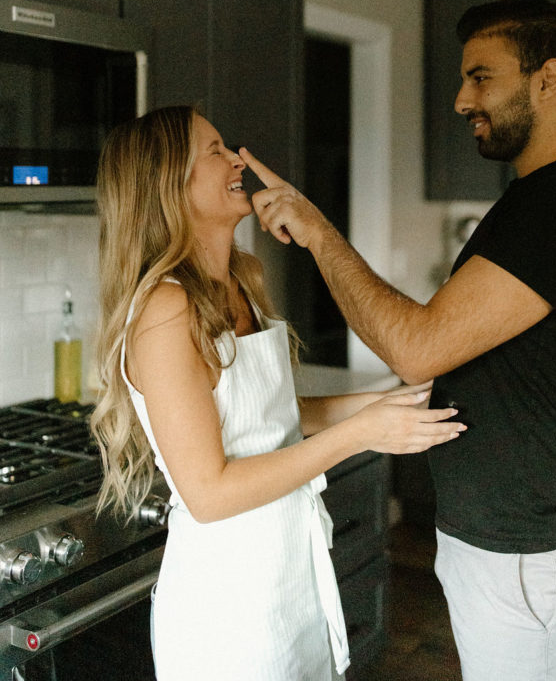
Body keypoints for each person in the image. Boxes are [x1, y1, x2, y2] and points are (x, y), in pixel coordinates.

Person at [241, 0, 556, 681]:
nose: (461, 100)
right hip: (522, 547)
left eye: (480, 77)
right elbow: (492, 360)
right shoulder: (541, 198)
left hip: (528, 559)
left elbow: (419, 346)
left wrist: (316, 230)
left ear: (547, 80)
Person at [90, 105, 464, 681]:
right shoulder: (165, 311)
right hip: (229, 606)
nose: (237, 158)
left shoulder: (244, 279)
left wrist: (391, 401)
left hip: (289, 570)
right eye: (214, 150)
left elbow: (268, 418)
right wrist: (360, 434)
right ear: (170, 186)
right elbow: (210, 493)